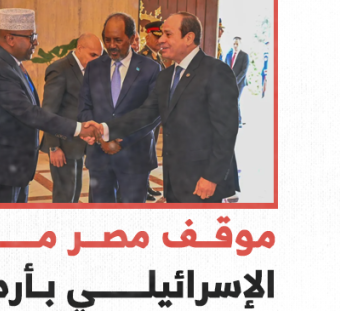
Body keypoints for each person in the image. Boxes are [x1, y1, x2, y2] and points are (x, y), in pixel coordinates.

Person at [96, 12, 240, 203]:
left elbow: (226, 131)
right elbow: (146, 113)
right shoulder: (166, 75)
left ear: (188, 38)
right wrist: (106, 128)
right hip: (175, 179)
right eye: (161, 34)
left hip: (203, 180)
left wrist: (212, 177)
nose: (161, 40)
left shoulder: (215, 71)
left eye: (168, 34)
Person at [0, 8, 101, 203]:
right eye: (31, 37)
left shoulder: (12, 65)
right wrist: (78, 129)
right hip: (6, 167)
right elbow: (31, 113)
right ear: (10, 39)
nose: (36, 43)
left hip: (18, 167)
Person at [78, 13, 161, 203]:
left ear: (132, 38)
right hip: (100, 156)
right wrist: (102, 138)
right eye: (107, 40)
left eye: (118, 40)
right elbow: (84, 107)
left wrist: (121, 141)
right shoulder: (94, 68)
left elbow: (153, 113)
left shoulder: (150, 69)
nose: (112, 45)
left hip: (135, 156)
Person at [40, 33, 103, 203]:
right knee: (65, 196)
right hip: (62, 144)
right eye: (93, 55)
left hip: (79, 144)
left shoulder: (90, 70)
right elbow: (48, 112)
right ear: (79, 49)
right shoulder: (60, 69)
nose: (96, 60)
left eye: (99, 56)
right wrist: (54, 147)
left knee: (74, 192)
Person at [139, 20, 166, 200]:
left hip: (155, 113)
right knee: (143, 152)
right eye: (156, 37)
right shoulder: (143, 58)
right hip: (146, 113)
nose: (159, 40)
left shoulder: (157, 57)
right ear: (147, 36)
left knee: (150, 151)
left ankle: (146, 184)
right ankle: (142, 186)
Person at [225, 36, 250, 127]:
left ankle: (238, 121)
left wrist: (235, 81)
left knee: (236, 100)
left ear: (240, 44)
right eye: (234, 44)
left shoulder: (244, 56)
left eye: (237, 44)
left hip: (240, 82)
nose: (235, 46)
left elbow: (244, 71)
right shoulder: (228, 55)